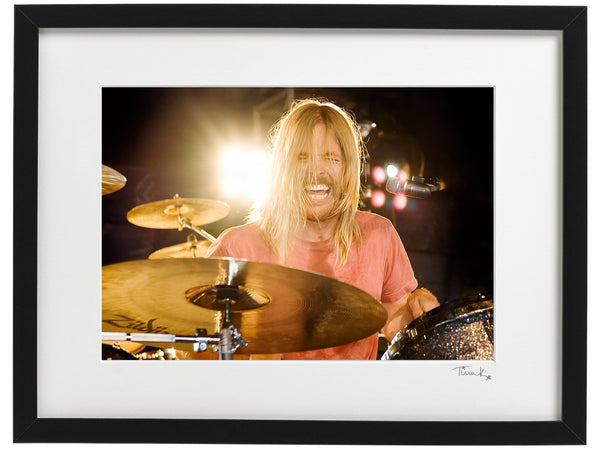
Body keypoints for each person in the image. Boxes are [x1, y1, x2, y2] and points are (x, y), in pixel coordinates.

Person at [206, 98, 439, 359]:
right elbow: (192, 346)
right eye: (302, 158)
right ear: (282, 170)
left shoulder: (378, 234)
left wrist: (420, 308)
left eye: (331, 158)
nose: (317, 171)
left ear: (349, 170)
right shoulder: (235, 248)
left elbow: (396, 319)